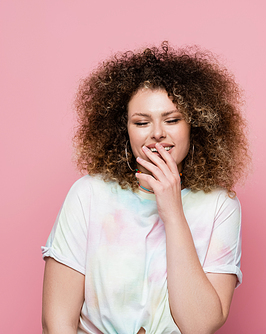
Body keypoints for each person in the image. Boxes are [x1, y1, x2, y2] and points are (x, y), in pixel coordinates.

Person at [41, 42, 250, 334]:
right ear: (124, 130)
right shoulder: (87, 194)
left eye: (172, 119)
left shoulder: (220, 205)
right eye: (141, 122)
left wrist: (173, 212)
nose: (157, 134)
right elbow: (57, 323)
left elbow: (199, 325)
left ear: (196, 124)